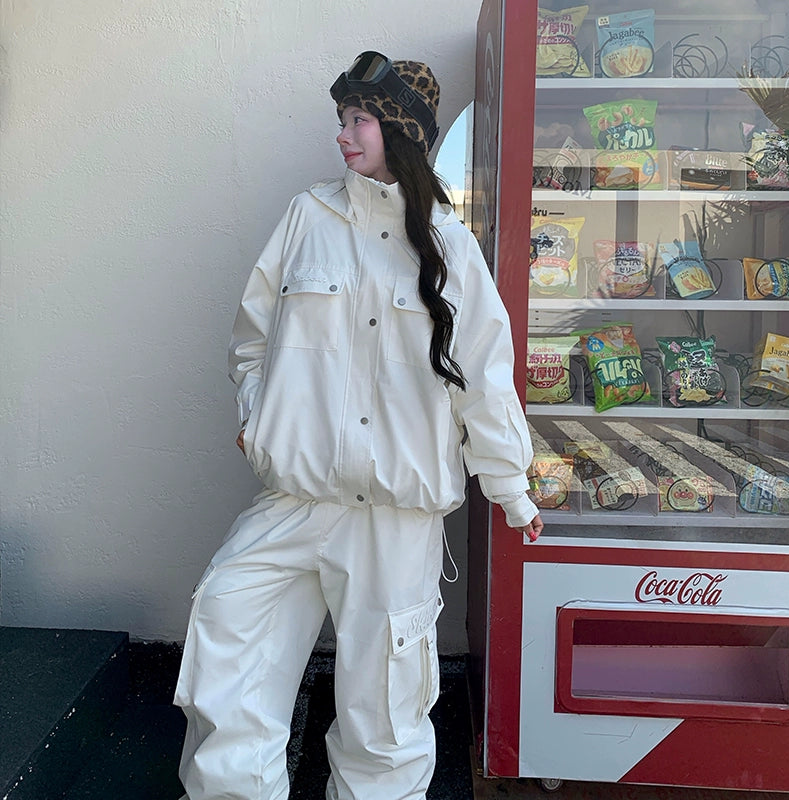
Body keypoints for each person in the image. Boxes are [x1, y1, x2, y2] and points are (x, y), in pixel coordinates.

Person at [174, 50, 543, 800]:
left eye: (359, 119)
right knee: (229, 639)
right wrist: (257, 418)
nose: (343, 135)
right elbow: (252, 336)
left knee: (384, 714)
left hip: (394, 519)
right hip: (295, 500)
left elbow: (484, 376)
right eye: (341, 118)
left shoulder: (448, 246)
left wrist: (512, 490)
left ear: (400, 132)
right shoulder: (308, 218)